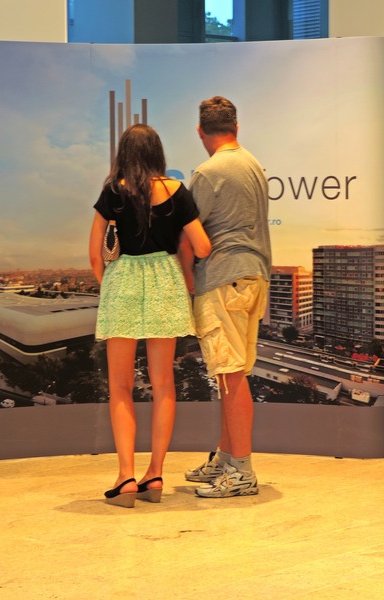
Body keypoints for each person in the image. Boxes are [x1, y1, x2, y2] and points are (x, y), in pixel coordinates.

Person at [89, 123, 211, 508]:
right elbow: (203, 246)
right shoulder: (178, 191)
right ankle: (155, 474)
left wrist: (110, 287)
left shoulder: (114, 191)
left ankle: (125, 477)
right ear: (158, 152)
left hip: (123, 281)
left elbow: (95, 254)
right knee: (164, 386)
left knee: (120, 386)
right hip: (165, 282)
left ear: (124, 153)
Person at [179, 96, 271, 498]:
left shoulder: (208, 172)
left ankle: (242, 472)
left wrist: (188, 282)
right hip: (254, 278)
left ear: (201, 132)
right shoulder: (253, 165)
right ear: (236, 127)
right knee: (232, 375)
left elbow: (190, 236)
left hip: (222, 279)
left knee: (230, 377)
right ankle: (226, 457)